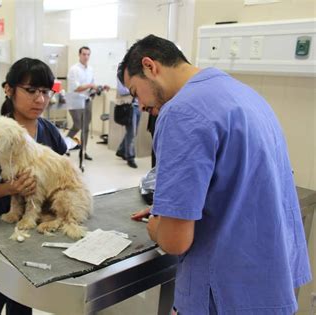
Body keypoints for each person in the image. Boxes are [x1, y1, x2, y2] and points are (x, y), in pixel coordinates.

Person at [120, 35, 311, 314]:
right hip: (268, 283)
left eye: (136, 93)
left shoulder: (180, 112)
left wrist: (160, 227)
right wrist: (171, 209)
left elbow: (175, 241)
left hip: (224, 291)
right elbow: (236, 183)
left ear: (150, 66)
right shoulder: (243, 93)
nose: (141, 106)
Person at [0, 58, 67, 315]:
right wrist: (11, 189)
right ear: (9, 90)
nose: (40, 100)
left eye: (45, 92)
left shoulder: (50, 132)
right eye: (31, 91)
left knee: (22, 305)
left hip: (31, 237)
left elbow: (62, 174)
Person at [66, 46, 109, 160]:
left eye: (88, 54)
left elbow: (93, 85)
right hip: (75, 100)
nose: (86, 56)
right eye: (84, 54)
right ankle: (64, 145)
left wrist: (101, 87)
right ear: (79, 55)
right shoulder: (74, 69)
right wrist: (91, 86)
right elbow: (77, 88)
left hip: (87, 100)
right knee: (78, 125)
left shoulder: (90, 69)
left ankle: (83, 151)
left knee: (85, 128)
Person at [115, 79, 141, 168]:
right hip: (129, 107)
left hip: (138, 106)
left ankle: (121, 150)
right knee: (132, 133)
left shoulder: (137, 74)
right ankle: (130, 157)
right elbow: (121, 90)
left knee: (133, 132)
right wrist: (135, 90)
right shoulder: (122, 74)